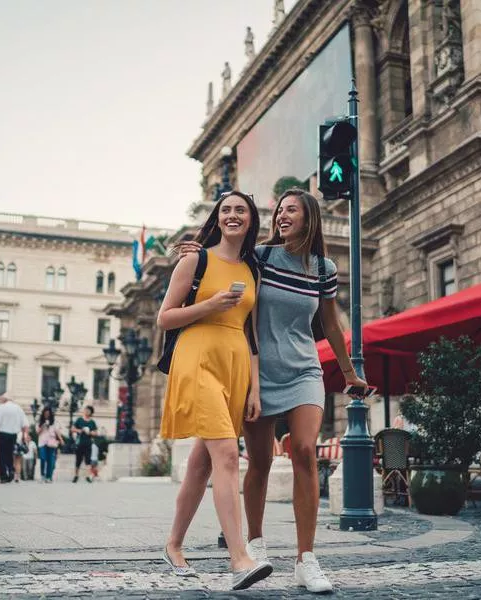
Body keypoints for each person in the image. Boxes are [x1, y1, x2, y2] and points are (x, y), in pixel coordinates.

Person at [177, 188, 369, 593]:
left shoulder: (324, 269)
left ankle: (306, 559)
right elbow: (223, 255)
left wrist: (350, 373)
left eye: (291, 210)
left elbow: (331, 324)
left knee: (302, 450)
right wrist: (196, 250)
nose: (282, 216)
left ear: (308, 217)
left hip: (303, 370)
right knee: (260, 461)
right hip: (257, 372)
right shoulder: (261, 258)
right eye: (279, 210)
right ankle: (256, 544)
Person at [157, 190, 272, 591]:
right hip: (197, 361)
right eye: (226, 210)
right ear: (218, 218)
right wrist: (211, 305)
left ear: (251, 219)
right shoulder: (196, 259)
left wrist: (255, 388)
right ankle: (240, 558)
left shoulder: (253, 269)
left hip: (235, 367)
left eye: (241, 210)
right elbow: (165, 318)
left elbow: (252, 334)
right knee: (226, 453)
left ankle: (173, 545)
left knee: (201, 465)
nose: (233, 215)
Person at [0, 396, 29, 483]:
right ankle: (11, 469)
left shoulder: (1, 407)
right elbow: (25, 424)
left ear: (4, 399)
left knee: (2, 455)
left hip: (2, 434)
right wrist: (24, 436)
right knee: (9, 453)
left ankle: (4, 476)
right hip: (13, 435)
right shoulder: (18, 408)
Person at [71, 406, 98, 483]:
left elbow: (96, 433)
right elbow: (72, 429)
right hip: (79, 443)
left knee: (88, 461)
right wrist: (79, 430)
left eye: (89, 411)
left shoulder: (92, 422)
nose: (87, 412)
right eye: (86, 410)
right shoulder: (79, 420)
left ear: (91, 413)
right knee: (78, 460)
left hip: (88, 444)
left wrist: (90, 432)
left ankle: (88, 476)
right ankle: (76, 475)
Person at [36, 407, 62, 482]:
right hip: (42, 442)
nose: (46, 415)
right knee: (43, 458)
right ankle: (42, 475)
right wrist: (43, 426)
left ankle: (49, 476)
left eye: (48, 414)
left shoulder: (54, 422)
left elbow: (57, 432)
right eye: (45, 414)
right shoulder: (39, 422)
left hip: (51, 442)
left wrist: (61, 439)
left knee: (50, 460)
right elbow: (37, 432)